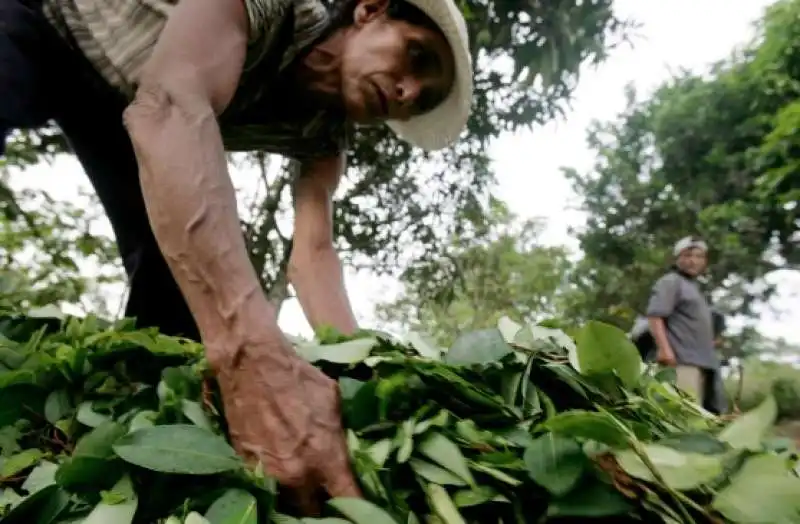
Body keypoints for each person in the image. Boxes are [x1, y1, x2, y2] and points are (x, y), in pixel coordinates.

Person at [0, 0, 473, 511]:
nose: (408, 90)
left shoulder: (322, 134)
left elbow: (313, 254)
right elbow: (173, 107)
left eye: (422, 100)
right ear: (370, 10)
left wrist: (365, 375)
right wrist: (252, 354)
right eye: (417, 57)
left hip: (117, 106)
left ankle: (124, 447)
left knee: (176, 295)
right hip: (48, 21)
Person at [644, 236, 726, 411]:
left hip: (701, 364)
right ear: (677, 258)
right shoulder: (671, 282)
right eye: (688, 255)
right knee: (682, 416)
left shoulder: (695, 288)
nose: (693, 261)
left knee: (700, 416)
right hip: (680, 363)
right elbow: (655, 316)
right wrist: (664, 349)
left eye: (699, 256)